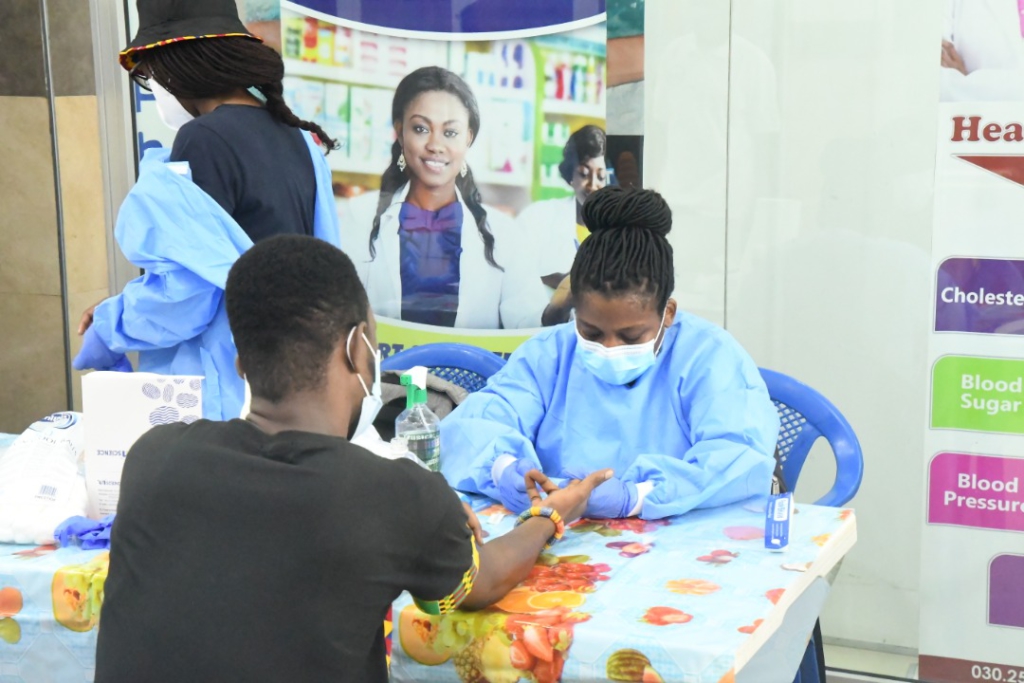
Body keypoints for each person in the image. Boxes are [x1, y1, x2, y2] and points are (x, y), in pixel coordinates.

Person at [94, 235, 610, 683]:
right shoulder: (395, 495)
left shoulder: (154, 458)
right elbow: (484, 581)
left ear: (241, 364)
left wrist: (424, 520)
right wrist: (549, 516)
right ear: (356, 348)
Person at [441, 186, 781, 520]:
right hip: (560, 531)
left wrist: (637, 497)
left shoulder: (708, 358)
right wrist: (503, 469)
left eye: (631, 336)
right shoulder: (549, 355)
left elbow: (737, 458)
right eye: (591, 332)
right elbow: (476, 427)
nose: (609, 349)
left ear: (668, 313)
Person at [73, 0, 341, 420]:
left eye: (149, 75)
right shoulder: (295, 138)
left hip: (230, 391)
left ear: (176, 66)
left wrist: (112, 324)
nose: (154, 88)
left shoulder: (205, 139)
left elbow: (188, 295)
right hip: (294, 375)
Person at [343, 66, 545, 329]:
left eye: (450, 133)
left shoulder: (504, 233)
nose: (435, 145)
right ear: (400, 132)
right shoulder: (357, 217)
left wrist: (564, 307)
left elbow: (530, 325)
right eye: (420, 129)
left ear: (468, 138)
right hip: (384, 359)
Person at [516, 125, 609, 297]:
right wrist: (554, 281)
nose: (593, 185)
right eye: (584, 173)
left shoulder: (619, 230)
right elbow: (514, 279)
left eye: (601, 177)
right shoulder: (538, 217)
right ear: (570, 174)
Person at [941, 0, 1024, 101]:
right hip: (962, 110)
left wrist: (968, 85)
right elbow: (936, 81)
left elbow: (952, 87)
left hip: (971, 107)